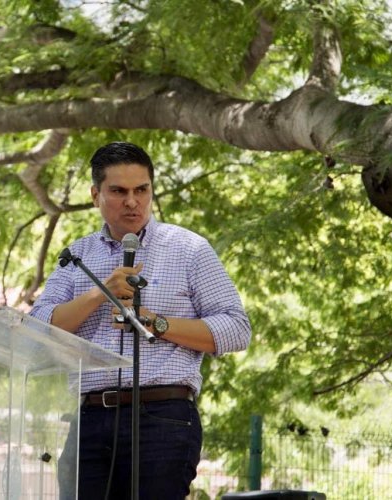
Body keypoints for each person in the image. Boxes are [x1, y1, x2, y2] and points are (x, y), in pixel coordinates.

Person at [29, 141, 251, 499]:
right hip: (89, 419)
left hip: (162, 417)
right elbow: (37, 325)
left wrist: (155, 324)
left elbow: (236, 329)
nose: (132, 201)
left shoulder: (188, 249)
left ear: (150, 190)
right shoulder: (77, 256)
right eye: (118, 191)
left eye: (141, 190)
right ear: (95, 194)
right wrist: (99, 293)